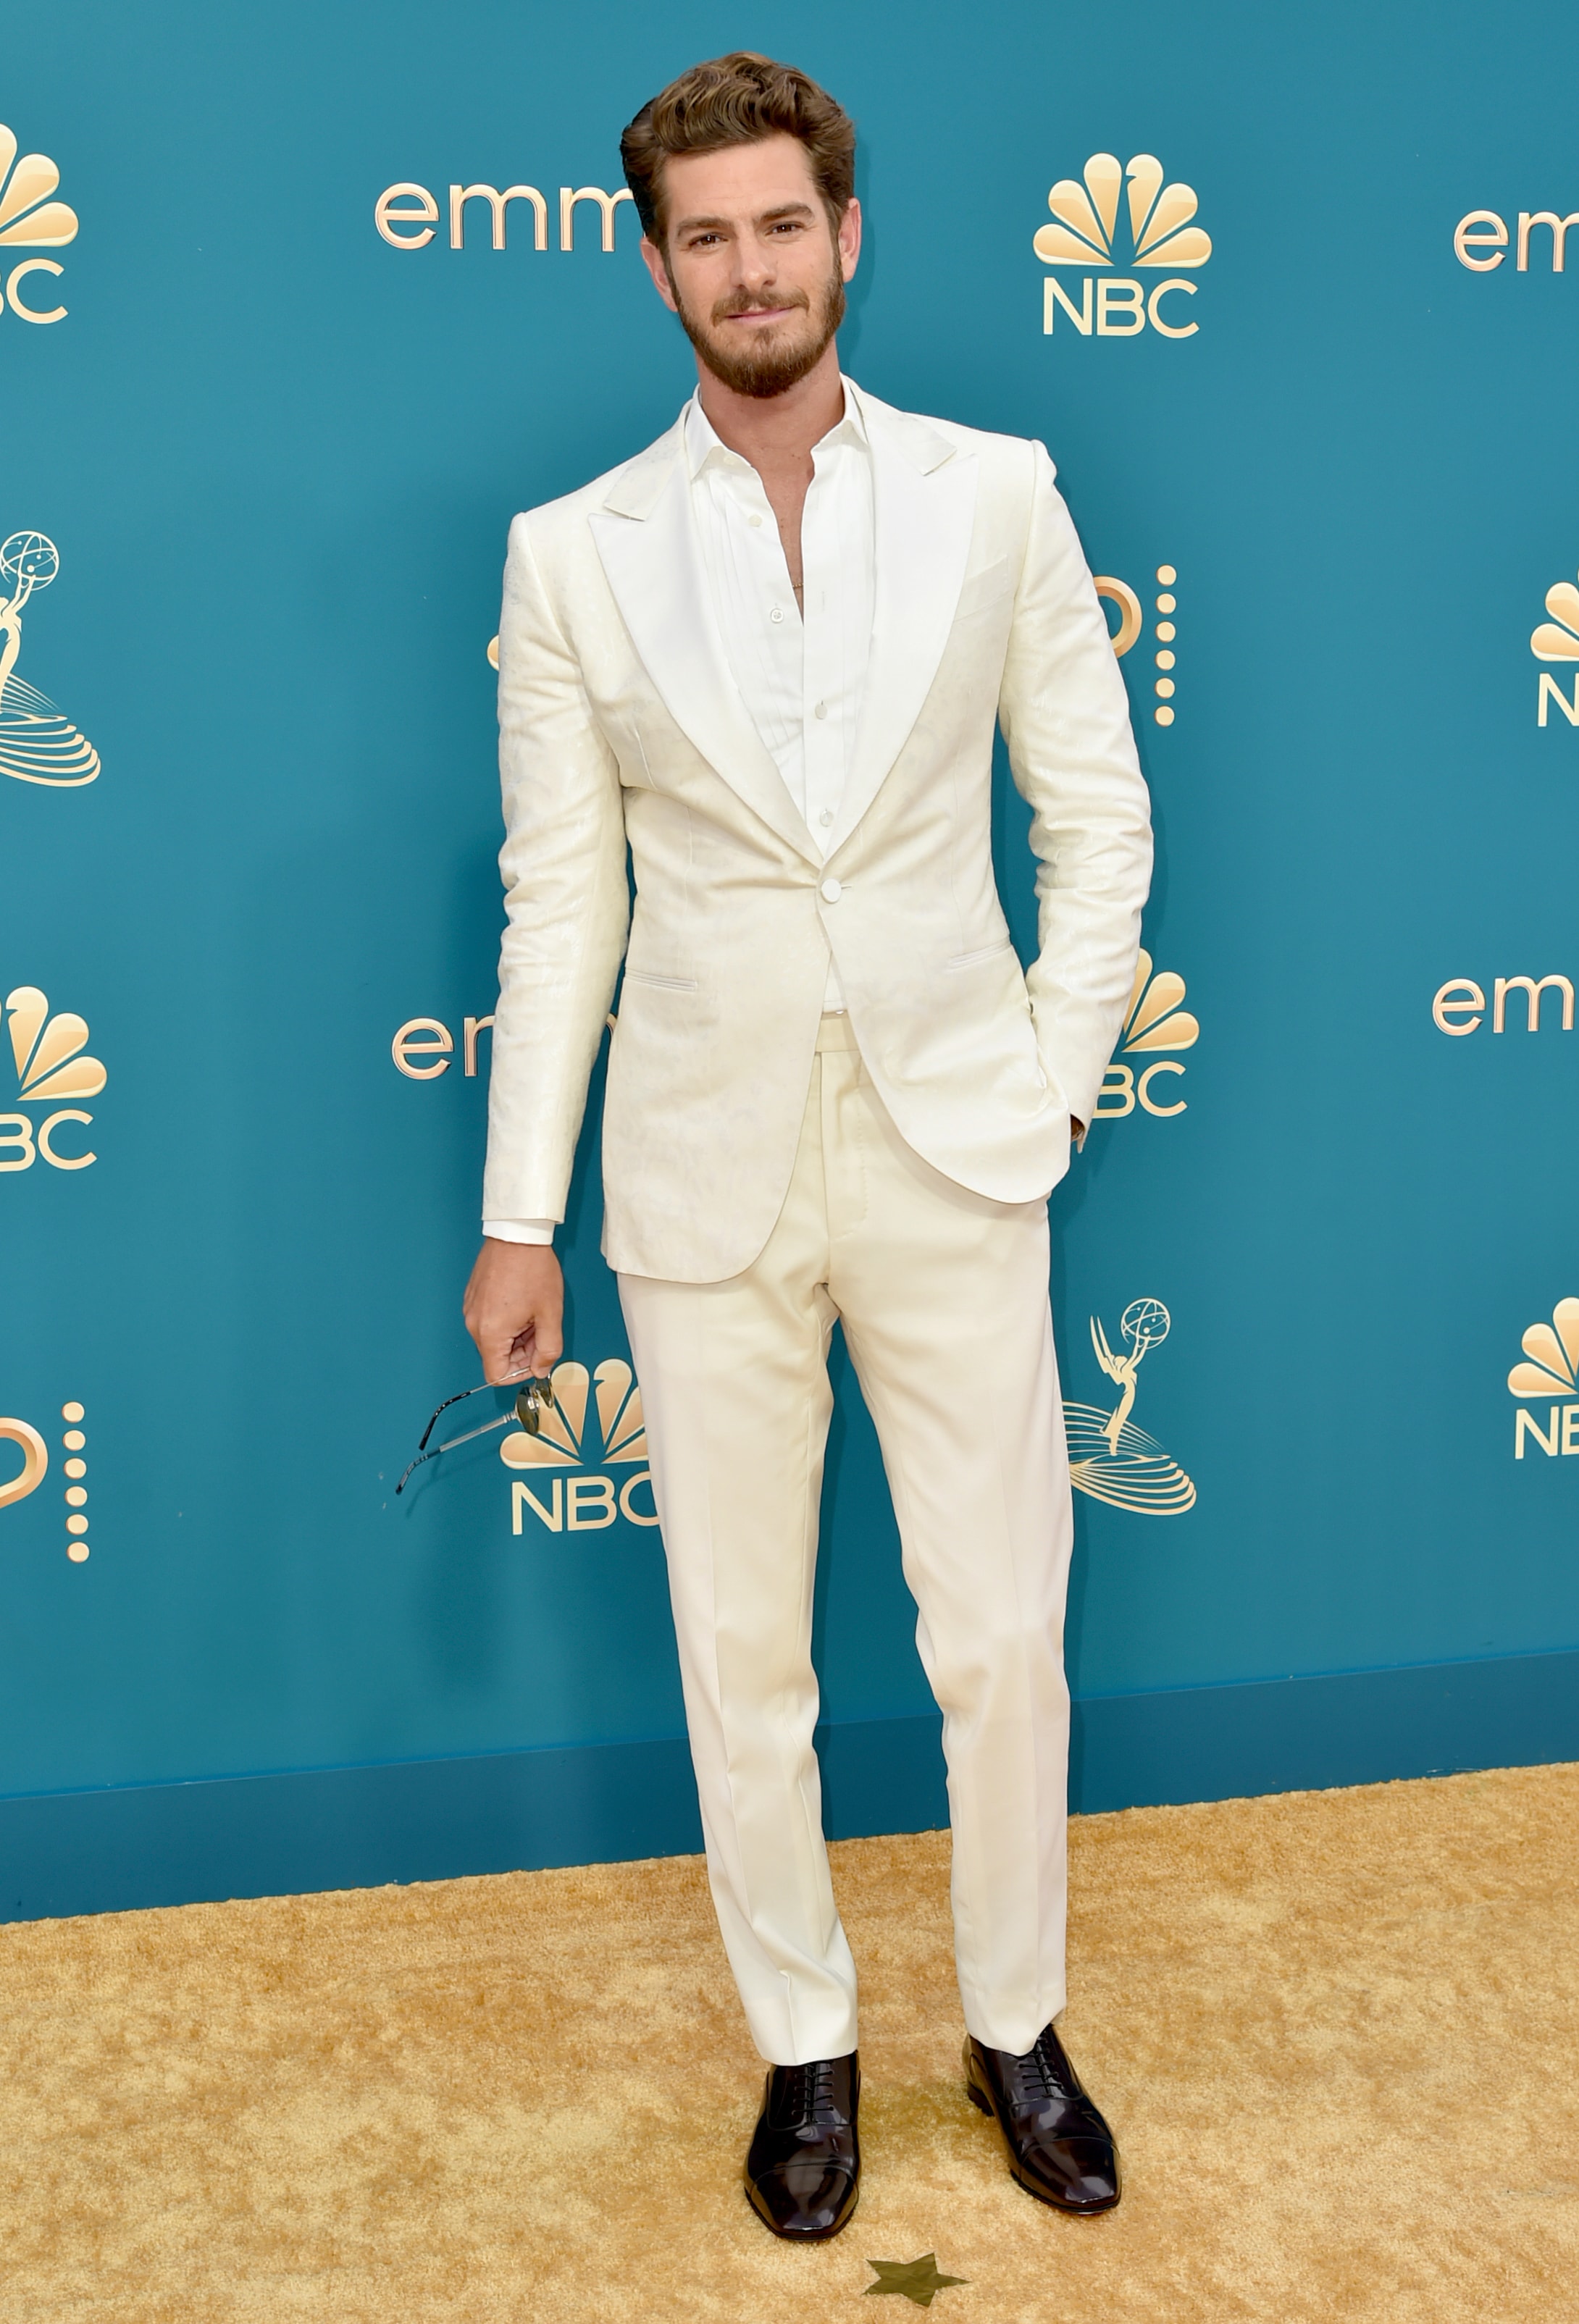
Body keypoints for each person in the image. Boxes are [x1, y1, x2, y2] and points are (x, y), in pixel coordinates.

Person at [464, 52, 1152, 2240]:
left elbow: (1097, 817)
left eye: (781, 226)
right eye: (704, 235)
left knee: (1002, 1632)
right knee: (738, 1646)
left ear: (842, 236)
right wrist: (519, 1209)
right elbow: (558, 897)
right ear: (649, 258)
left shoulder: (996, 493)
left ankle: (1014, 2022)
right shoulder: (571, 554)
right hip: (697, 1166)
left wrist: (1047, 1080)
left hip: (960, 1148)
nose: (748, 270)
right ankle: (805, 2046)